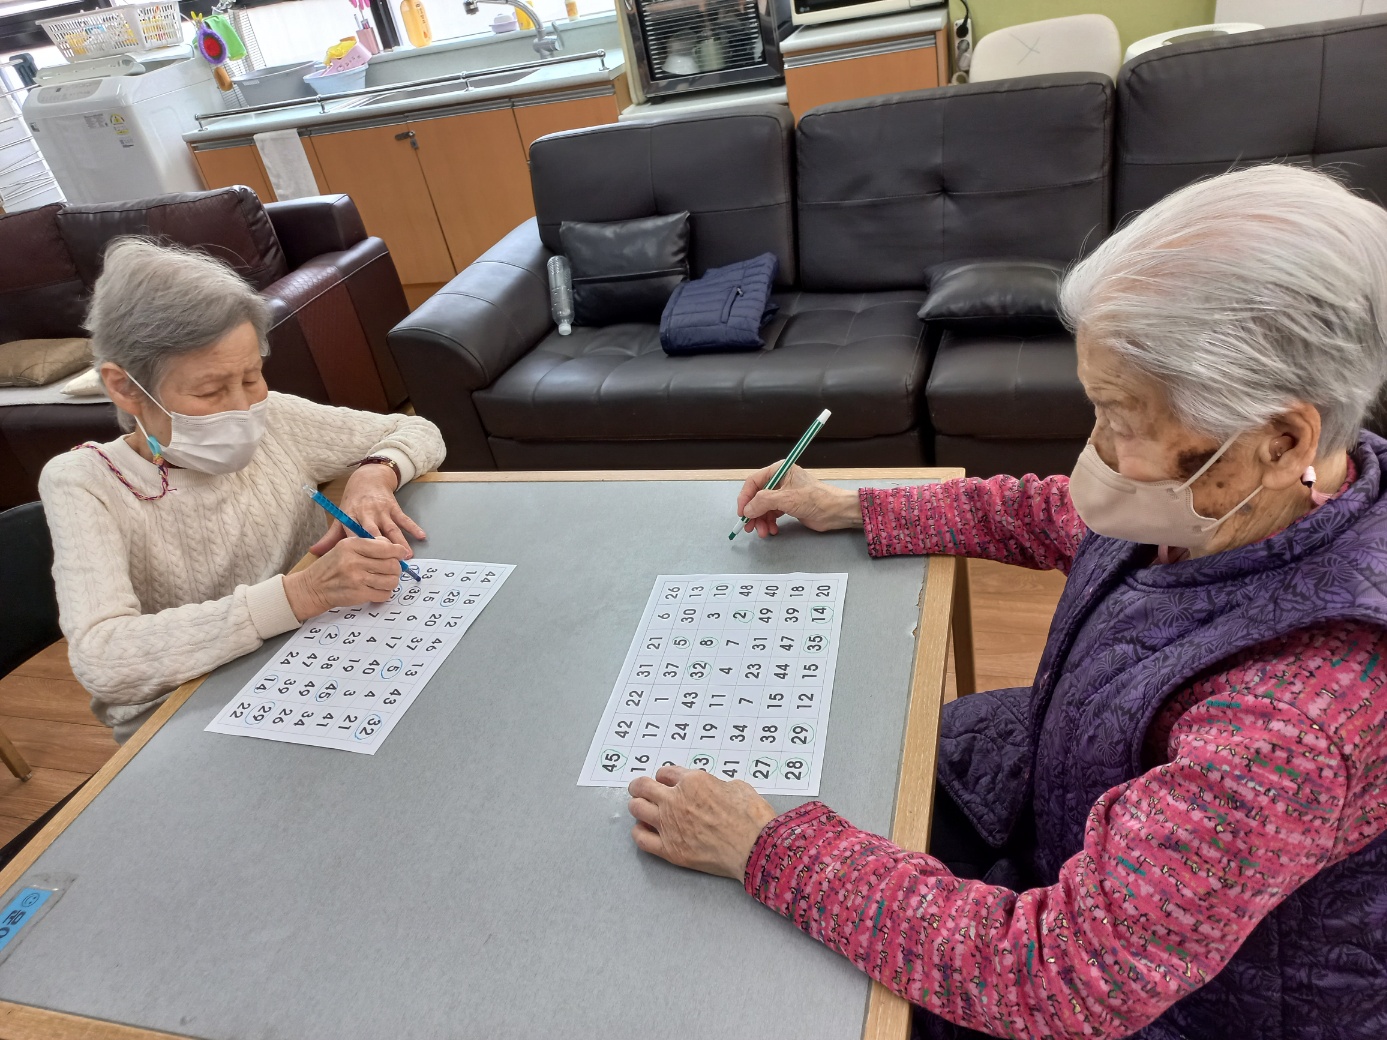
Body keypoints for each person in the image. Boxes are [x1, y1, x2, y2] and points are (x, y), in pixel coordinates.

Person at [625, 165, 1387, 1039]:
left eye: (1119, 419)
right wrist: (854, 506)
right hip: (1065, 793)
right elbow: (1057, 516)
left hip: (1185, 1005)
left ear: (1280, 439)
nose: (1094, 451)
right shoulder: (1262, 492)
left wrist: (765, 849)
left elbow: (1061, 978)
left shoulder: (1293, 728)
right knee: (863, 754)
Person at [39, 239, 446, 743]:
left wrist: (374, 473)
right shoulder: (84, 482)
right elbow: (102, 658)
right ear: (125, 388)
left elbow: (418, 429)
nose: (242, 407)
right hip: (184, 713)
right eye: (210, 391)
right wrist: (302, 593)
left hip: (312, 659)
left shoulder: (275, 417)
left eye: (252, 377)